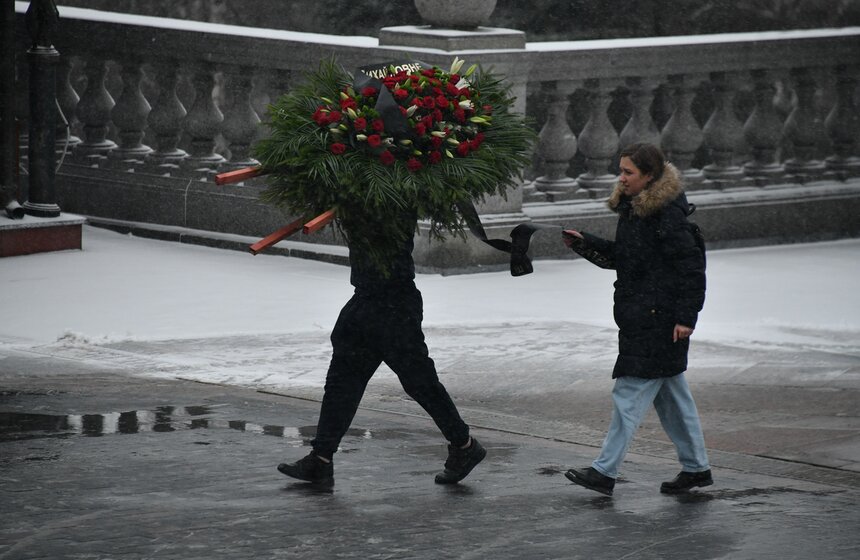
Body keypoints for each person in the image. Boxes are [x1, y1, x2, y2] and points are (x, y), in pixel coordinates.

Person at [277, 209, 486, 486]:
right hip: (366, 300)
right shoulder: (360, 188)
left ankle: (464, 445)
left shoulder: (393, 188)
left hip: (395, 303)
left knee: (419, 382)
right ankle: (321, 458)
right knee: (343, 382)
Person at [561, 143, 711, 496]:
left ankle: (604, 470)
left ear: (649, 177)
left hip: (658, 320)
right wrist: (585, 243)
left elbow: (692, 270)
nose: (621, 177)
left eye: (628, 172)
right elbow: (626, 258)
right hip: (643, 316)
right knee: (674, 398)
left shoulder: (666, 217)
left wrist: (686, 317)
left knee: (628, 395)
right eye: (621, 170)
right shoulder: (636, 210)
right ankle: (696, 467)